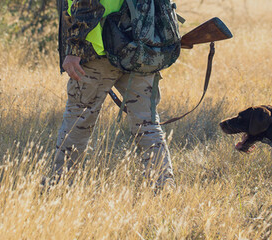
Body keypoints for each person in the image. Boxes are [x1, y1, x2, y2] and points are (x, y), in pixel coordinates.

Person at [46, 0, 175, 189]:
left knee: (78, 121)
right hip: (140, 49)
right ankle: (164, 187)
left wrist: (74, 48)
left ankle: (59, 186)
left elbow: (86, 3)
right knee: (147, 124)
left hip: (98, 51)